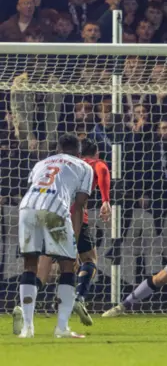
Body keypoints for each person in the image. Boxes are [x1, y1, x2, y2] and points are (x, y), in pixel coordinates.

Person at [17, 139, 111, 327]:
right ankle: (72, 309)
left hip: (28, 208)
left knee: (37, 269)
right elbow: (81, 203)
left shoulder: (42, 163)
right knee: (77, 262)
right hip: (61, 214)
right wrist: (105, 200)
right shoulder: (87, 166)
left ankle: (24, 312)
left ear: (58, 149)